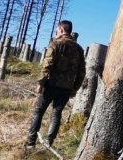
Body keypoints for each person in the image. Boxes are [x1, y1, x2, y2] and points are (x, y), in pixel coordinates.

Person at [25, 20, 86, 148]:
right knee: (56, 113)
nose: (57, 32)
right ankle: (49, 142)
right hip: (66, 88)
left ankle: (31, 142)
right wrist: (75, 87)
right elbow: (82, 71)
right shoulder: (79, 49)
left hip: (50, 85)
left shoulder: (55, 44)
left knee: (38, 112)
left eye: (57, 30)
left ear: (61, 29)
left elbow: (47, 64)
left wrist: (41, 82)